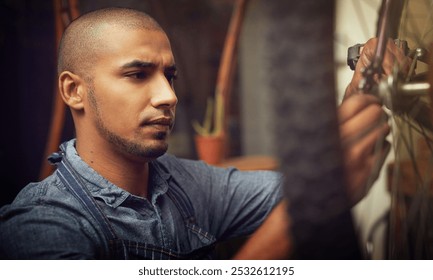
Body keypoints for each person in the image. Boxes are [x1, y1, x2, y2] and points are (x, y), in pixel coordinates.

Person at [0, 7, 401, 259]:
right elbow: (310, 203)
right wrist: (289, 228)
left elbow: (317, 186)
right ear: (74, 91)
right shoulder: (42, 227)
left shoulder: (188, 184)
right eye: (138, 74)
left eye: (169, 76)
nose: (167, 96)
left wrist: (364, 85)